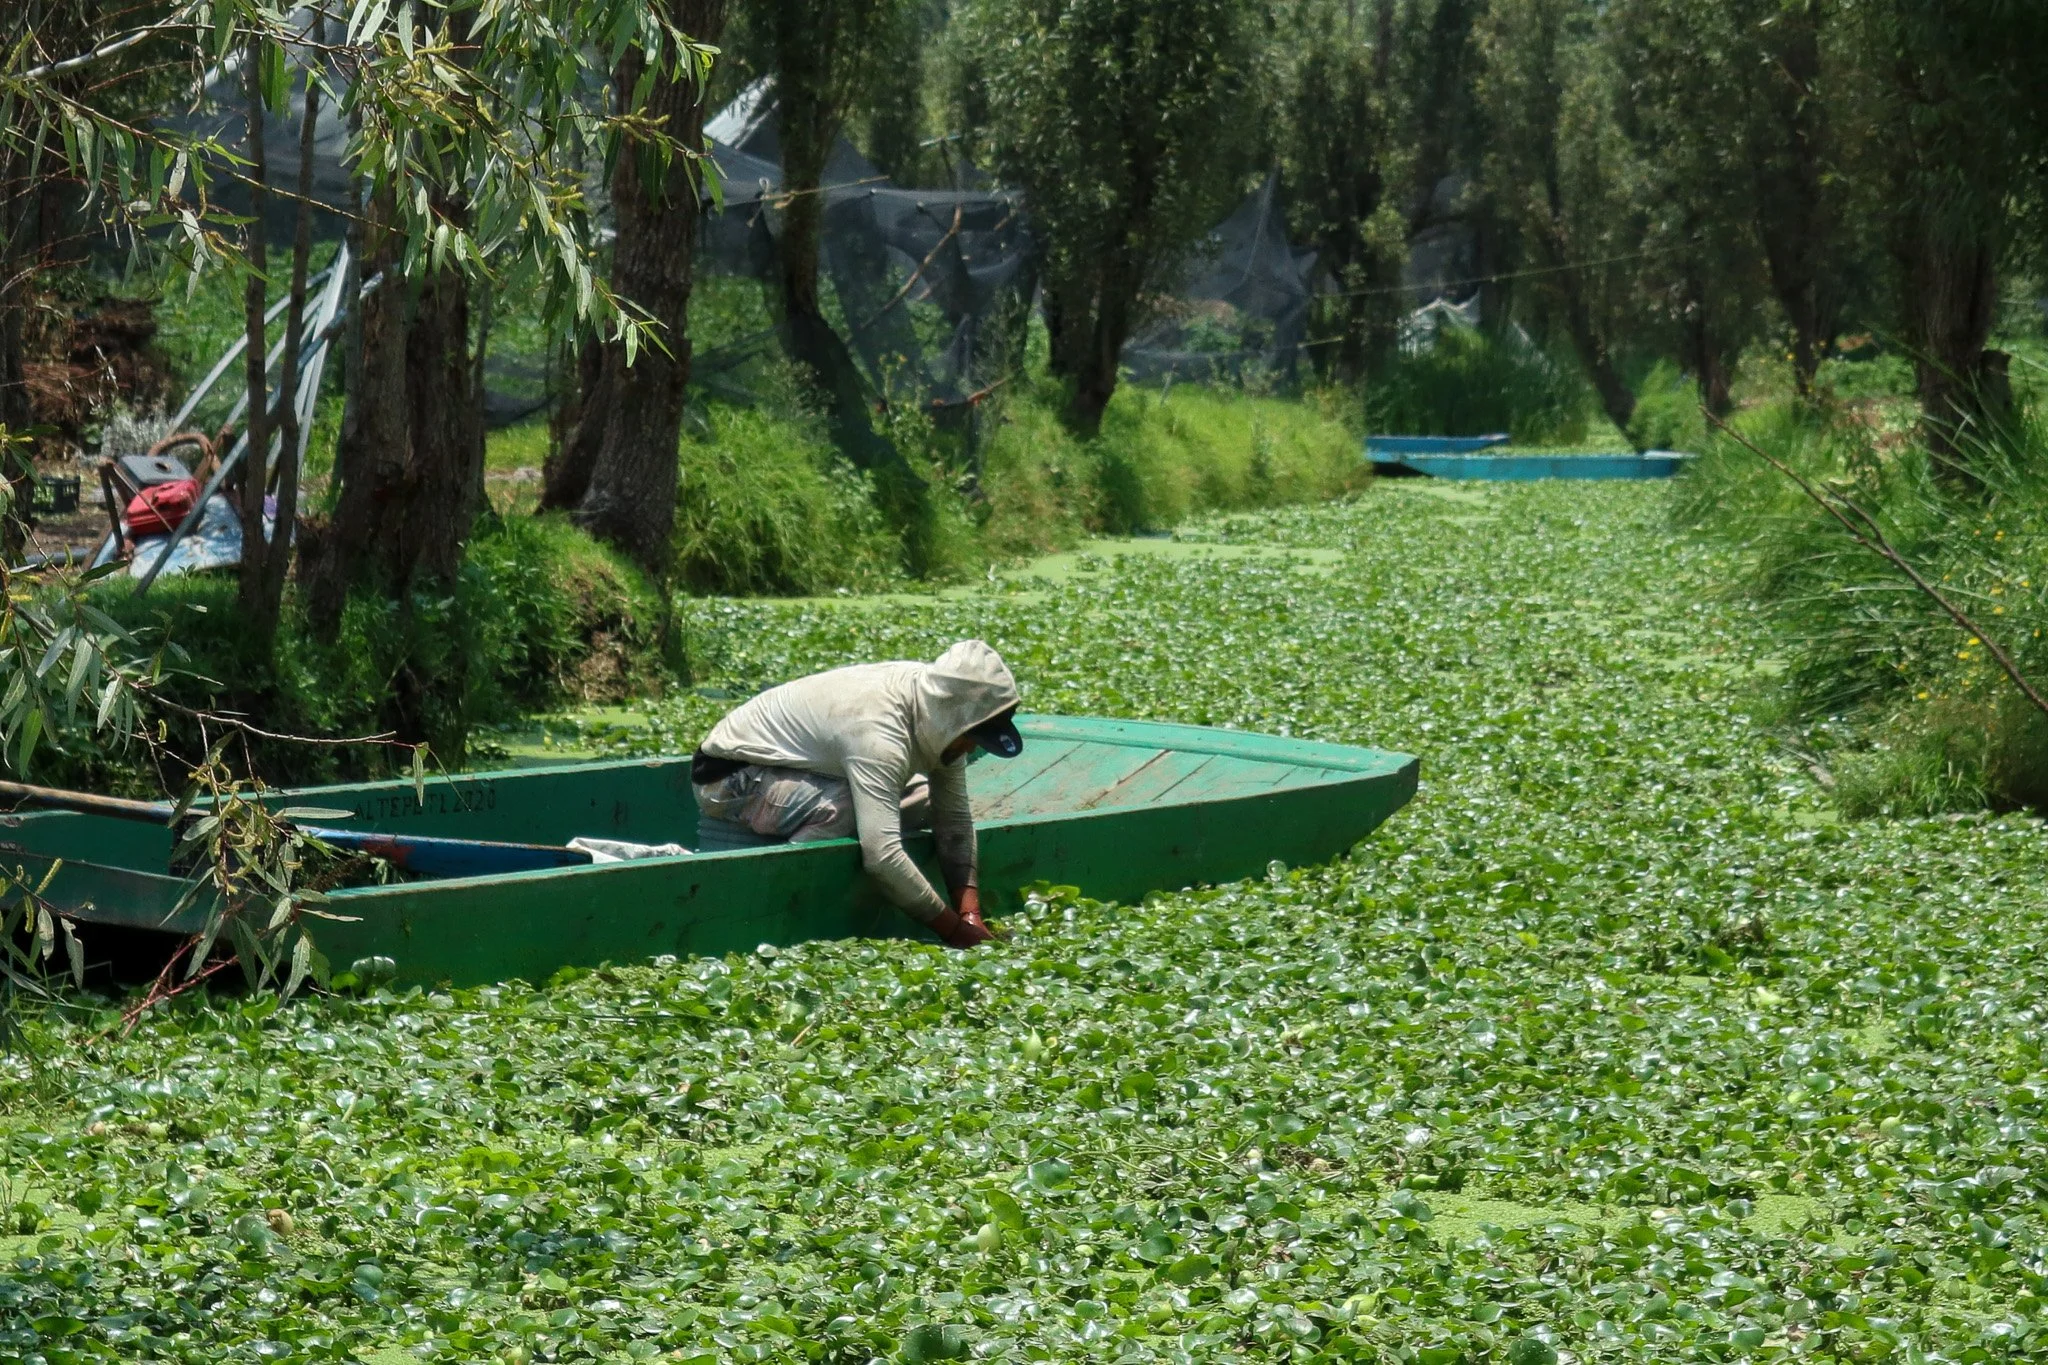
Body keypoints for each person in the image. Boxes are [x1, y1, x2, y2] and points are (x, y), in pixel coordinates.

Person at [690, 640, 1024, 948]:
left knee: (923, 802)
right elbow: (882, 856)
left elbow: (953, 821)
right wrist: (952, 932)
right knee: (847, 809)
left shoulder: (943, 713)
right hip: (729, 775)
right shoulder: (881, 734)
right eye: (971, 737)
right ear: (951, 719)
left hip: (803, 770)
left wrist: (971, 916)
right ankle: (784, 895)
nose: (969, 747)